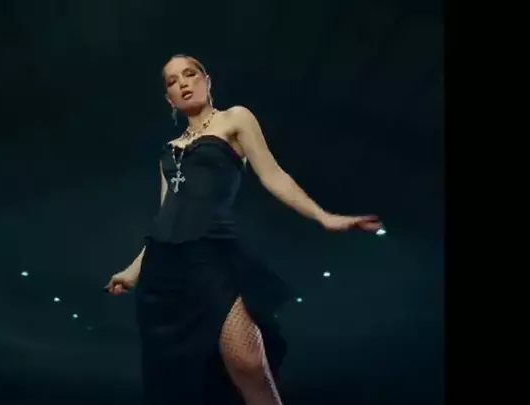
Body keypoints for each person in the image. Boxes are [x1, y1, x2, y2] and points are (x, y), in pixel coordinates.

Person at [104, 54, 381, 405]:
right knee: (180, 380)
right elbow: (165, 216)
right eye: (173, 81)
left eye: (190, 74)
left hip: (211, 254)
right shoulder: (169, 151)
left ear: (207, 80)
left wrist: (323, 216)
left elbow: (274, 175)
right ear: (169, 99)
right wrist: (134, 270)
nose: (183, 83)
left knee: (248, 361)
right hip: (164, 269)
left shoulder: (235, 119)